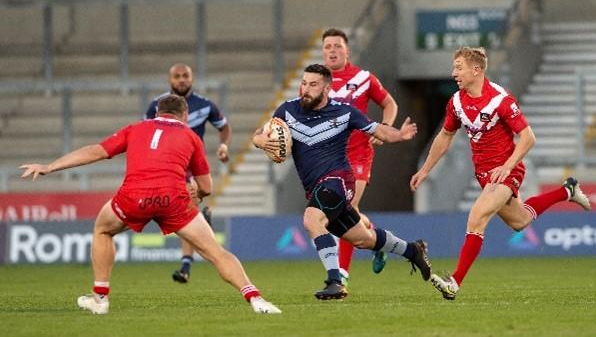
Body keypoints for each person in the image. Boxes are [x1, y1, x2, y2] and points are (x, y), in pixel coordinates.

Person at [20, 95, 280, 314]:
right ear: (185, 115)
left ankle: (100, 298)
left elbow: (96, 151)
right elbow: (208, 187)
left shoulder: (135, 128)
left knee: (102, 229)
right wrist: (198, 194)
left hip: (134, 197)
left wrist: (49, 167)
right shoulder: (191, 137)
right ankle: (256, 299)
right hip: (173, 199)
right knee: (215, 251)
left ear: (156, 112)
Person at [409, 47, 592, 301]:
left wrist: (507, 166)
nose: (454, 73)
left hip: (507, 170)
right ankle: (567, 190)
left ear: (476, 70)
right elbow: (446, 135)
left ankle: (454, 282)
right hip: (485, 174)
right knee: (520, 221)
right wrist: (426, 169)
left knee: (476, 217)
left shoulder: (500, 100)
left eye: (459, 67)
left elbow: (528, 137)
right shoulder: (457, 102)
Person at [253, 64, 431, 300]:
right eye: (304, 83)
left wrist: (399, 134)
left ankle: (335, 281)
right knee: (363, 239)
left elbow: (378, 130)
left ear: (327, 88)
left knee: (312, 219)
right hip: (316, 187)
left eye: (313, 84)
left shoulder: (345, 112)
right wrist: (261, 142)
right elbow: (259, 134)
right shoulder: (286, 111)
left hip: (339, 180)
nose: (305, 89)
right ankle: (412, 250)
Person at [321, 28, 399, 283]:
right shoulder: (315, 82)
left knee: (345, 208)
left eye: (337, 46)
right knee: (347, 212)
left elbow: (390, 104)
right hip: (329, 159)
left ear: (347, 50)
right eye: (328, 47)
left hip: (358, 154)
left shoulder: (364, 78)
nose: (332, 50)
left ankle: (341, 273)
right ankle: (377, 240)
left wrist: (384, 127)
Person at [145, 63, 232, 284]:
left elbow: (224, 127)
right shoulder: (156, 105)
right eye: (177, 76)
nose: (181, 80)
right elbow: (145, 133)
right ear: (170, 79)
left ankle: (185, 265)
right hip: (165, 164)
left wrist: (224, 146)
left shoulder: (204, 105)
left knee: (187, 207)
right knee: (183, 210)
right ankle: (198, 232)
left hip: (192, 165)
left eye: (185, 76)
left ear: (192, 79)